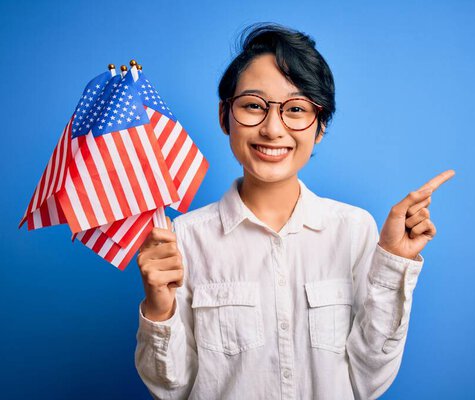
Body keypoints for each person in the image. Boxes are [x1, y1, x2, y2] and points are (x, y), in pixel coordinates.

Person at [134, 23, 454, 399]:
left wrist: (393, 263)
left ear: (319, 127)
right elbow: (171, 388)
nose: (273, 129)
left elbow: (369, 380)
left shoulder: (354, 229)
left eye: (296, 109)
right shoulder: (183, 237)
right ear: (225, 116)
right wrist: (158, 307)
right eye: (253, 105)